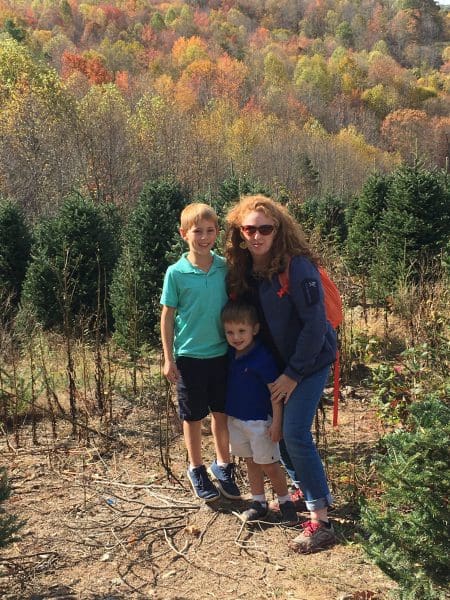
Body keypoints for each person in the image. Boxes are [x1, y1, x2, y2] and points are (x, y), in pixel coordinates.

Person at [225, 195, 337, 553]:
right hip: (280, 368)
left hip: (311, 361)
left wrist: (292, 374)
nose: (257, 235)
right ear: (240, 233)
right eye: (249, 229)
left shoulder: (297, 267)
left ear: (278, 231)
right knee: (281, 436)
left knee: (294, 432)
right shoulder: (246, 271)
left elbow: (315, 325)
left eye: (265, 228)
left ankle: (321, 521)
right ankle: (304, 488)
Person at [160, 203, 241, 503]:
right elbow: (168, 316)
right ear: (184, 234)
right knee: (193, 416)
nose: (204, 237)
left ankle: (223, 466)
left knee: (221, 413)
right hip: (190, 357)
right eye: (197, 232)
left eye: (209, 231)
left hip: (222, 354)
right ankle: (196, 468)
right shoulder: (176, 273)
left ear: (216, 233)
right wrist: (169, 358)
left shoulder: (224, 268)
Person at [221, 300, 299, 526]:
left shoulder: (261, 357)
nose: (236, 337)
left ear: (254, 329)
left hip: (259, 422)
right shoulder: (229, 355)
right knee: (250, 462)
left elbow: (274, 392)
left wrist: (277, 423)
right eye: (230, 332)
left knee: (269, 465)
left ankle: (286, 503)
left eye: (242, 331)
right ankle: (259, 503)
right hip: (236, 420)